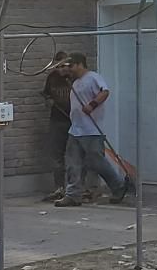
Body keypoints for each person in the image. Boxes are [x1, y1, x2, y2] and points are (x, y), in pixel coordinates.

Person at [55, 52, 127, 207]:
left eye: (71, 66)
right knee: (73, 162)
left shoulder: (93, 77)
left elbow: (105, 92)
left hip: (92, 129)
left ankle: (119, 186)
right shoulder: (75, 83)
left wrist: (92, 105)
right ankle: (73, 195)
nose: (70, 69)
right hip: (75, 130)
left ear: (80, 64)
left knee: (97, 162)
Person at [40, 51, 73, 202]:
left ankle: (74, 188)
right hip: (57, 120)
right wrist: (49, 101)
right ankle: (59, 188)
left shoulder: (74, 78)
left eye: (64, 66)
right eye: (58, 67)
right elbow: (46, 94)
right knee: (57, 155)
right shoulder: (52, 78)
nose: (61, 70)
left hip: (73, 121)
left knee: (74, 155)